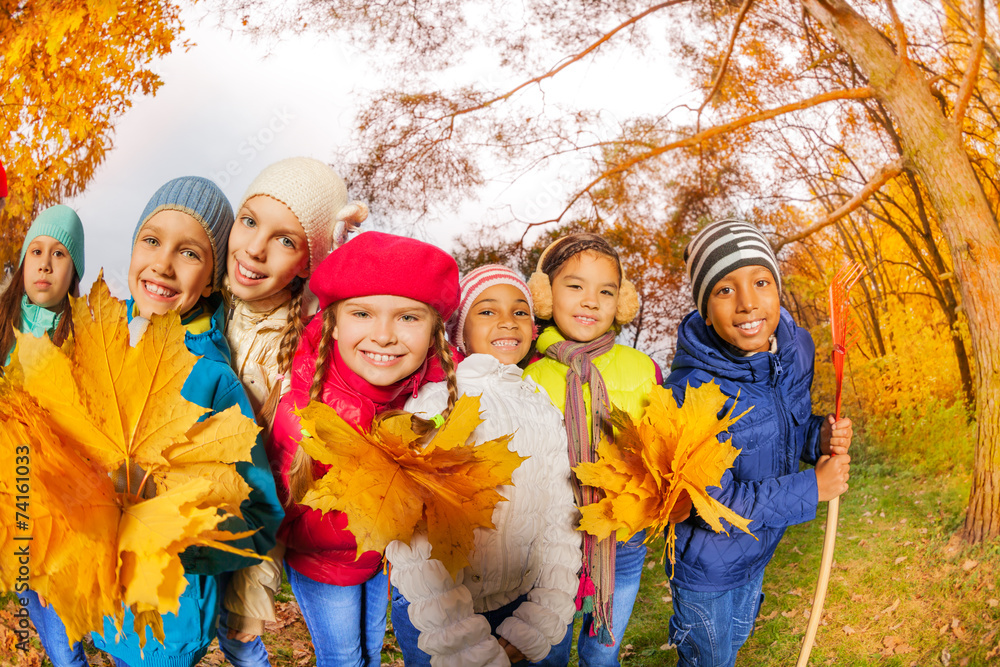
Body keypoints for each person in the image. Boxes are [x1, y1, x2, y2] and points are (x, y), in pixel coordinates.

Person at [91, 176, 283, 667]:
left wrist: (181, 546)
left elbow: (259, 517)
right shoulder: (101, 346)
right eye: (151, 241)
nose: (162, 262)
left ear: (213, 278)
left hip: (168, 620)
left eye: (190, 252)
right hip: (104, 605)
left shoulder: (212, 379)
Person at [664, 219, 853, 667]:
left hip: (756, 553)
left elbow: (788, 428)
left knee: (739, 637)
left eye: (761, 281)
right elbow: (714, 504)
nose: (748, 302)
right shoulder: (693, 391)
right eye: (725, 290)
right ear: (705, 310)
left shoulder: (791, 352)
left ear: (778, 288)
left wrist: (818, 436)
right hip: (708, 572)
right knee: (711, 660)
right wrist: (813, 489)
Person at [268, 231, 460, 667]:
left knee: (371, 651)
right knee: (343, 656)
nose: (385, 335)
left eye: (408, 318)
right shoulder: (303, 408)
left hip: (382, 559)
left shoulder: (434, 395)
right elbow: (277, 506)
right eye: (363, 313)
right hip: (323, 564)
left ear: (434, 330)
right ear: (333, 321)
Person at [387, 265, 582, 666]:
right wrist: (460, 639)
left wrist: (542, 616)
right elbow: (416, 538)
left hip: (523, 603)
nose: (508, 321)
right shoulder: (436, 403)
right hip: (443, 613)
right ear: (461, 328)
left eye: (520, 311)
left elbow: (560, 517)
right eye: (488, 311)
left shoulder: (541, 405)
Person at [220, 157, 367, 663]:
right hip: (199, 491)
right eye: (250, 221)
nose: (256, 249)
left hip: (263, 509)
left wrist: (340, 268)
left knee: (240, 634)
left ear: (309, 262)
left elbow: (349, 320)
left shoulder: (310, 330)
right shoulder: (208, 307)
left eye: (286, 241)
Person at [523, 233, 660, 666]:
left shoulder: (643, 369)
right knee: (547, 650)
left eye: (606, 291)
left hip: (622, 539)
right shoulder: (529, 375)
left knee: (602, 654)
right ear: (544, 295)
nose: (591, 301)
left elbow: (657, 447)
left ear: (622, 302)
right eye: (575, 285)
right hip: (551, 542)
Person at [2, 204, 87, 666]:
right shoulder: (3, 325)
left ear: (72, 271)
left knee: (61, 637)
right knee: (30, 600)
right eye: (36, 250)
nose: (45, 263)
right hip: (9, 502)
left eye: (59, 254)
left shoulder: (82, 336)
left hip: (60, 508)